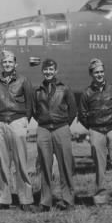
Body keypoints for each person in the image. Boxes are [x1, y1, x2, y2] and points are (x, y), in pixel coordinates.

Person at [0, 50, 38, 212]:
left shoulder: (24, 80)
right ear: (2, 64)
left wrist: (25, 120)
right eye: (5, 62)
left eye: (10, 62)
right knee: (3, 163)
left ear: (15, 64)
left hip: (18, 122)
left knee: (21, 163)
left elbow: (30, 103)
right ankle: (4, 199)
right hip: (0, 123)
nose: (7, 64)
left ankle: (25, 199)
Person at [78, 58, 112, 208]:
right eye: (96, 72)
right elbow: (82, 114)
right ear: (91, 74)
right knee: (100, 167)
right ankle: (100, 198)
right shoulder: (86, 93)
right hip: (96, 132)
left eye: (101, 71)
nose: (99, 75)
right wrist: (93, 127)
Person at [33, 59, 77, 211]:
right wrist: (44, 122)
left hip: (61, 129)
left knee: (65, 165)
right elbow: (34, 110)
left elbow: (73, 110)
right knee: (45, 166)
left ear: (56, 71)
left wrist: (64, 124)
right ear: (42, 71)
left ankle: (68, 200)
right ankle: (45, 202)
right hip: (44, 129)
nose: (48, 72)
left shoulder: (64, 88)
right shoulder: (38, 90)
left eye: (51, 69)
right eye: (45, 69)